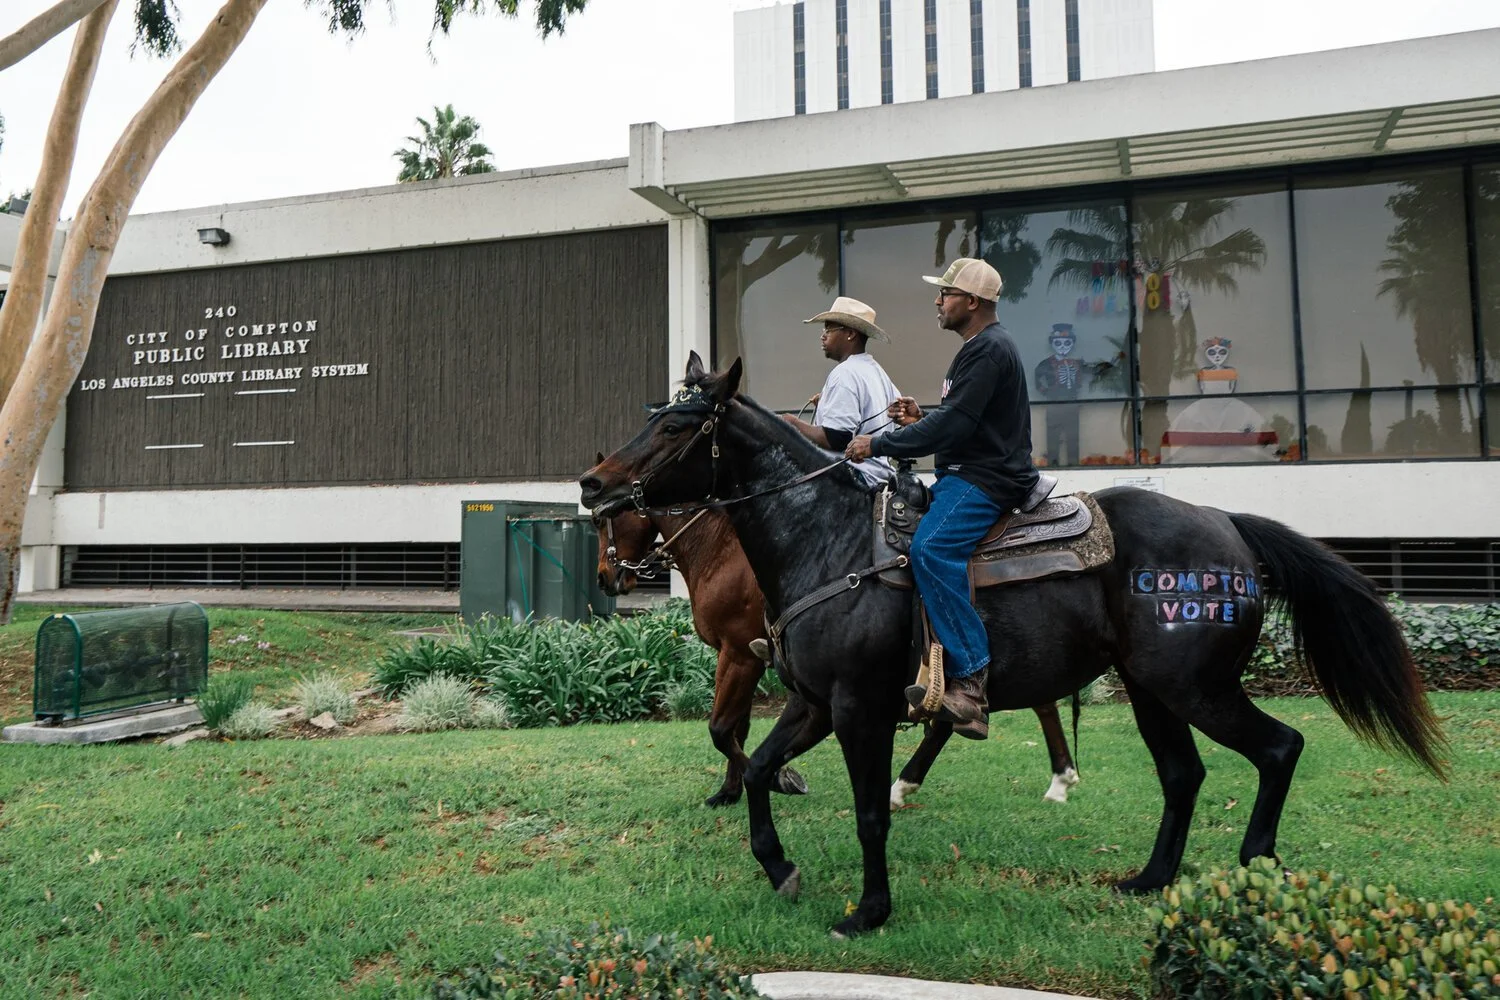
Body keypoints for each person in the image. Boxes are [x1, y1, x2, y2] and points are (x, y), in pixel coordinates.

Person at [844, 258, 1039, 740]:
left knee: (930, 549)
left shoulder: (988, 350)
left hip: (986, 481)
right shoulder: (978, 348)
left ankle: (970, 682)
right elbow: (963, 420)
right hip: (968, 473)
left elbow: (956, 427)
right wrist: (919, 418)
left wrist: (880, 443)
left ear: (971, 302)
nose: (938, 301)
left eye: (946, 293)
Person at [780, 295, 901, 487]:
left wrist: (792, 423)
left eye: (829, 328)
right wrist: (829, 406)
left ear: (850, 334)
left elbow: (837, 439)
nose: (823, 335)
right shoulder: (877, 371)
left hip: (853, 479)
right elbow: (893, 421)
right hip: (880, 477)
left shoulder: (845, 373)